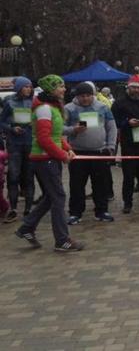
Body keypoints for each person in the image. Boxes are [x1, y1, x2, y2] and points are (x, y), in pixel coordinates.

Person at [15, 75, 84, 252]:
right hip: (45, 159)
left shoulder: (52, 108)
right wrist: (62, 155)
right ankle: (62, 240)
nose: (64, 89)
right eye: (60, 86)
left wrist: (67, 148)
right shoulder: (44, 109)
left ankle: (26, 227)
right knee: (59, 197)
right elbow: (44, 138)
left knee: (50, 197)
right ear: (51, 89)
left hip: (50, 158)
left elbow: (56, 134)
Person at [64, 82, 117, 224]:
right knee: (76, 184)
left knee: (100, 183)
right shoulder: (69, 108)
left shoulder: (102, 107)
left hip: (99, 151)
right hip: (77, 152)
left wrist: (111, 146)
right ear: (77, 96)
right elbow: (60, 128)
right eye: (82, 96)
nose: (85, 99)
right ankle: (75, 213)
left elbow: (111, 127)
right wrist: (73, 130)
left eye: (88, 95)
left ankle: (101, 211)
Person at [111, 75, 139, 214]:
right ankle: (128, 202)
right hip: (128, 143)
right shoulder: (119, 103)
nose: (136, 90)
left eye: (138, 88)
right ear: (128, 88)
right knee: (129, 175)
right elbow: (114, 122)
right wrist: (127, 123)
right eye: (133, 87)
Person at [0, 76, 35, 223]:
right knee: (13, 176)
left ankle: (28, 209)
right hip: (14, 144)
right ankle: (13, 209)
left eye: (29, 87)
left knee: (28, 176)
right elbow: (1, 121)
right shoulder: (9, 102)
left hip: (30, 143)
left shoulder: (34, 102)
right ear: (19, 87)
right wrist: (12, 128)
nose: (28, 89)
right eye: (25, 86)